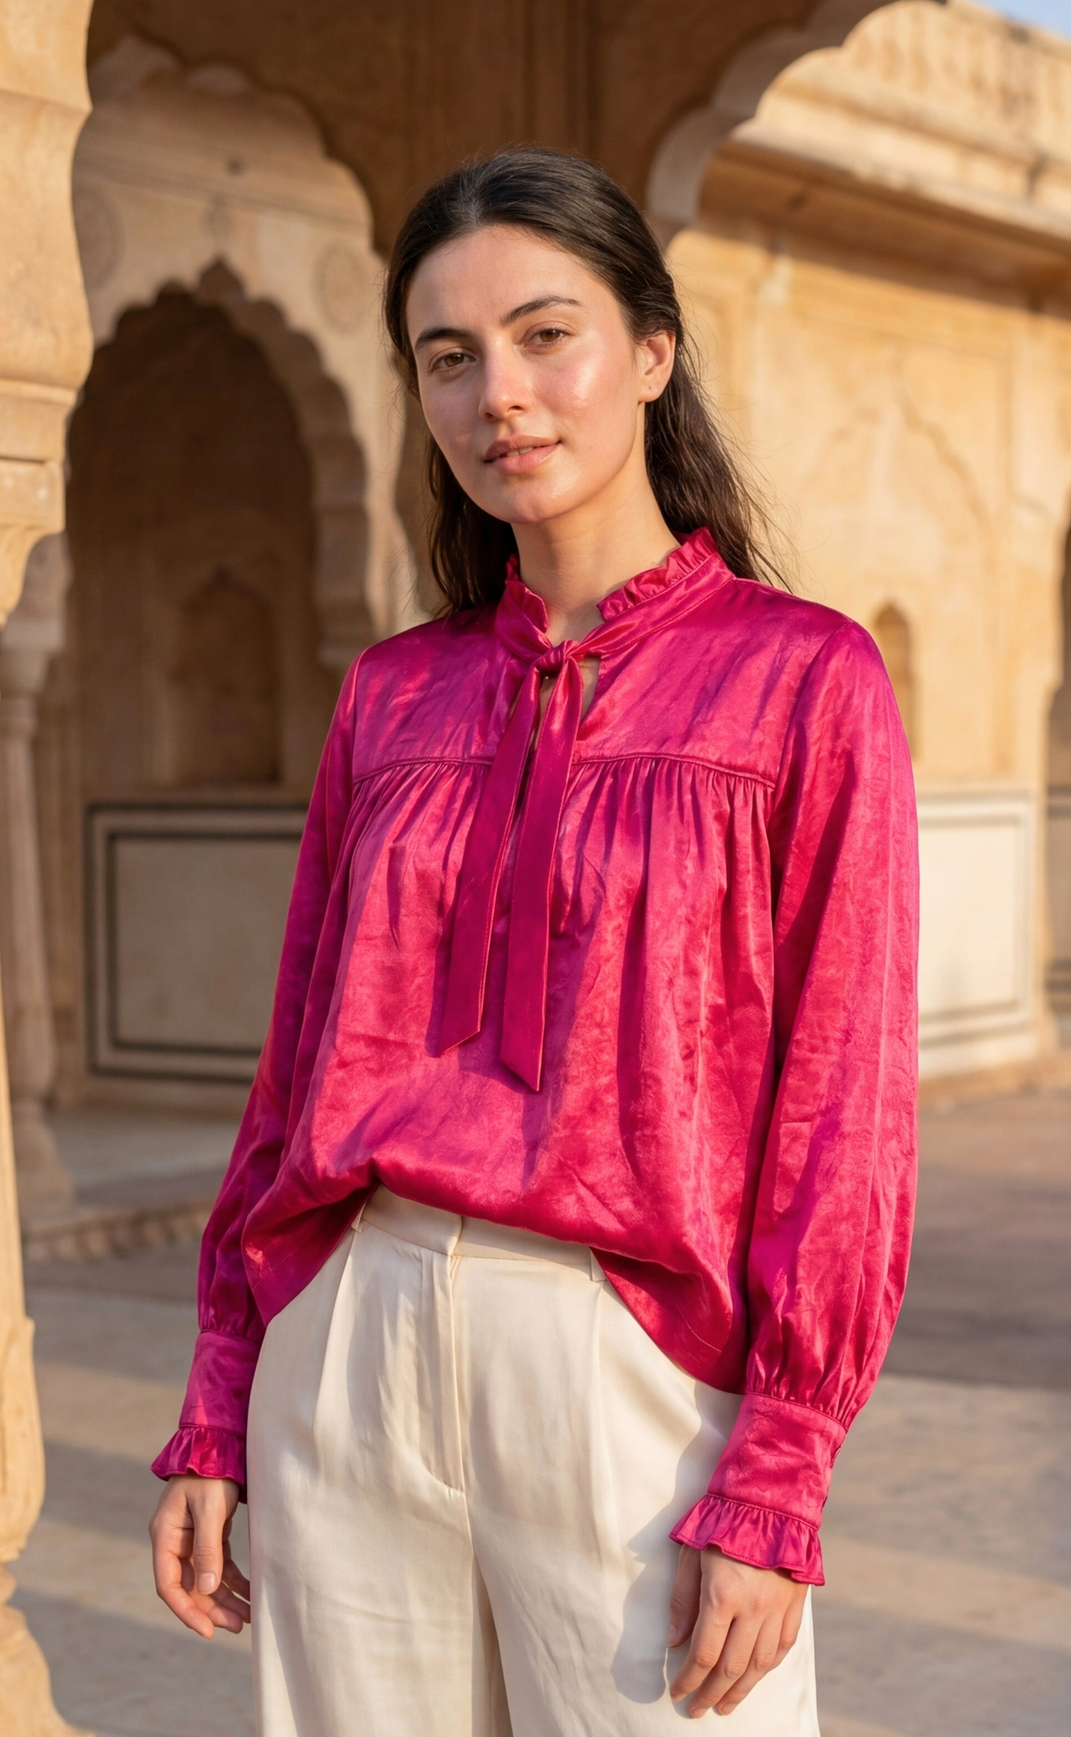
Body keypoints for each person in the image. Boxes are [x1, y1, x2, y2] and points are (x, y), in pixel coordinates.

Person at [149, 148, 918, 1734]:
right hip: (351, 1330)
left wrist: (779, 1465)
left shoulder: (801, 682)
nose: (496, 394)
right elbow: (296, 1068)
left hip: (629, 1361)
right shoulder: (393, 695)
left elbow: (844, 1107)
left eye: (543, 335)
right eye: (447, 357)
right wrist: (223, 1390)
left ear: (650, 353)